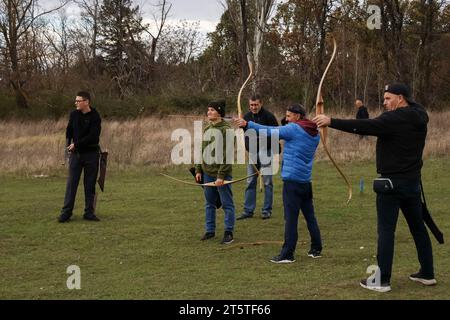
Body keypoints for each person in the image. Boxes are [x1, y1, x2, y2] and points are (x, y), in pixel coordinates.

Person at [313, 83, 436, 293]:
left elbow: (364, 126)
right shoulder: (420, 114)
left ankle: (382, 280)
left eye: (388, 98)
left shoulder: (394, 118)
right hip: (412, 184)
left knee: (386, 231)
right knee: (418, 228)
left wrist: (330, 121)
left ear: (401, 98)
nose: (384, 102)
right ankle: (427, 273)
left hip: (391, 185)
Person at [235, 103, 323, 262]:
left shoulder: (294, 129)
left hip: (292, 182)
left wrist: (247, 124)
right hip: (305, 182)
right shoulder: (315, 133)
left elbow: (270, 131)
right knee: (310, 216)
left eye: (289, 116)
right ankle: (316, 248)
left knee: (290, 219)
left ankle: (287, 254)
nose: (286, 119)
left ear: (297, 116)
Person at [195, 100, 236, 244]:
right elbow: (202, 150)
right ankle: (210, 230)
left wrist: (221, 176)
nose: (209, 112)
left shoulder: (227, 130)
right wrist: (199, 169)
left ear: (219, 112)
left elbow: (228, 155)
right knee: (209, 203)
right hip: (207, 173)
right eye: (208, 110)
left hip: (221, 174)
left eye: (212, 110)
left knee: (227, 204)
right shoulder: (207, 129)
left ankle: (228, 232)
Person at [58, 91, 102, 223]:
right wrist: (68, 145)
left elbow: (93, 136)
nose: (76, 103)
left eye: (78, 101)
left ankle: (89, 212)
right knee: (71, 184)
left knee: (90, 184)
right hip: (76, 155)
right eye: (76, 100)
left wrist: (76, 144)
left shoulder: (95, 116)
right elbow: (69, 130)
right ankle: (66, 212)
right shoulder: (74, 115)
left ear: (86, 102)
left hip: (91, 154)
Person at [237, 94, 279, 220]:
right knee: (250, 181)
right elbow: (245, 133)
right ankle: (248, 210)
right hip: (252, 153)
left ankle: (266, 210)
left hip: (266, 152)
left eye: (256, 105)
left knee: (267, 182)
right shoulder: (246, 116)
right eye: (251, 105)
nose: (253, 107)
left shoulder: (269, 116)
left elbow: (277, 133)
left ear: (261, 103)